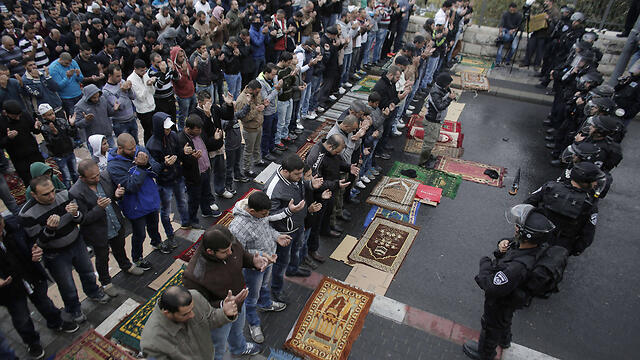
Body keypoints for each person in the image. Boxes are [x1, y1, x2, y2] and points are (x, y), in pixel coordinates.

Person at [462, 204, 556, 360]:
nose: (516, 229)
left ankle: (485, 354)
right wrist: (502, 247)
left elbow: (491, 286)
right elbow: (512, 243)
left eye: (519, 227)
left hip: (501, 300)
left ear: (528, 235)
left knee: (491, 326)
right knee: (505, 320)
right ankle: (505, 340)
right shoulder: (535, 246)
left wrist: (485, 263)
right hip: (512, 299)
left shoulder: (517, 268)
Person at [19, 176, 110, 324]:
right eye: (46, 194)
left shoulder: (65, 194)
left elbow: (80, 220)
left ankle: (93, 292)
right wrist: (49, 229)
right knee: (66, 283)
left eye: (52, 191)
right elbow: (38, 243)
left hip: (76, 242)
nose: (52, 196)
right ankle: (74, 309)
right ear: (34, 195)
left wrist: (75, 214)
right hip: (55, 253)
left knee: (87, 271)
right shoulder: (27, 214)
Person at [0, 215, 79, 360]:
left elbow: (31, 241)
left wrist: (35, 251)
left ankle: (57, 322)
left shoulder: (15, 224)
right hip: (10, 287)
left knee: (45, 303)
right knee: (21, 316)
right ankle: (32, 342)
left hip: (30, 274)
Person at [182, 225, 266, 359]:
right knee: (217, 346)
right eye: (225, 252)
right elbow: (199, 306)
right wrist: (223, 306)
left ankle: (239, 348)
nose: (230, 253)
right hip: (218, 316)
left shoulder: (229, 242)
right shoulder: (195, 275)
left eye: (230, 248)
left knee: (238, 331)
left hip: (238, 302)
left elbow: (241, 255)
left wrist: (252, 261)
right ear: (210, 251)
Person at [70, 159, 144, 297]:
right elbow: (83, 219)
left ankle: (126, 266)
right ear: (82, 178)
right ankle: (105, 282)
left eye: (98, 175)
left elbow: (112, 197)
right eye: (93, 178)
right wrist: (99, 208)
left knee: (120, 247)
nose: (97, 178)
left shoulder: (104, 176)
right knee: (102, 257)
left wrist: (117, 195)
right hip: (98, 232)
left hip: (115, 222)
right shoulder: (76, 192)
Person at [228, 191, 289, 343]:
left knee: (265, 285)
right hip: (253, 268)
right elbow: (239, 253)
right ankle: (254, 323)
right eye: (264, 214)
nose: (266, 216)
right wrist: (262, 255)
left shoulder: (260, 214)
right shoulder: (237, 227)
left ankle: (266, 303)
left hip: (268, 261)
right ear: (252, 211)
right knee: (251, 296)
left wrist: (277, 237)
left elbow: (267, 230)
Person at [264, 155, 323, 302]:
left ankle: (293, 270)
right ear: (285, 171)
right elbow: (268, 216)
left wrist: (310, 185)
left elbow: (301, 184)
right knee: (281, 261)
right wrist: (289, 212)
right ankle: (276, 289)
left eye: (301, 173)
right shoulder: (273, 188)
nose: (300, 177)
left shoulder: (295, 177)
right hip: (284, 231)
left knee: (297, 249)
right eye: (297, 174)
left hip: (298, 223)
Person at [107, 133, 168, 270]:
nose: (134, 151)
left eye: (135, 146)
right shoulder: (113, 166)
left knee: (154, 225)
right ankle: (137, 258)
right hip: (134, 206)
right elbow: (130, 186)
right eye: (130, 149)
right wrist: (140, 168)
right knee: (139, 234)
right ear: (120, 148)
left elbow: (156, 169)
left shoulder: (140, 149)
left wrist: (147, 165)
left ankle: (157, 242)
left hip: (150, 199)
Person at [140, 285, 239, 360]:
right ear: (167, 313)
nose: (192, 315)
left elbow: (210, 318)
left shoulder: (194, 297)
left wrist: (224, 313)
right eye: (185, 314)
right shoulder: (152, 342)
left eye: (192, 309)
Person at [525, 162, 602, 256]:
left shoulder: (550, 187)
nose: (596, 183)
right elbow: (587, 235)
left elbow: (527, 204)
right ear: (586, 181)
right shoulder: (590, 204)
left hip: (536, 237)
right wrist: (574, 250)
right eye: (594, 180)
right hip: (561, 247)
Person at [145, 112, 190, 242]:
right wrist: (164, 164)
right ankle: (170, 235)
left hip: (177, 177)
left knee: (182, 202)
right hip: (164, 183)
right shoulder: (152, 145)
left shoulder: (173, 136)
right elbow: (154, 169)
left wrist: (183, 152)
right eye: (166, 128)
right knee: (165, 210)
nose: (169, 130)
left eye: (169, 127)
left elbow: (178, 152)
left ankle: (186, 223)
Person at [178, 115, 222, 229]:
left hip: (205, 170)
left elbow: (208, 144)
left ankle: (206, 211)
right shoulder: (181, 140)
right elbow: (180, 161)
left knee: (206, 193)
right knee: (194, 199)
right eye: (197, 129)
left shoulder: (199, 134)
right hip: (193, 176)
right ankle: (191, 221)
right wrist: (192, 158)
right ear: (188, 129)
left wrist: (215, 139)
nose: (200, 131)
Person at [0, 99, 44, 185]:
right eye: (15, 116)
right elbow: (1, 144)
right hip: (19, 159)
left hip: (34, 153)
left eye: (19, 115)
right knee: (30, 182)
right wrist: (8, 138)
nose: (18, 118)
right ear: (6, 113)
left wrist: (37, 127)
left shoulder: (24, 115)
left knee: (43, 175)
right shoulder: (2, 123)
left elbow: (34, 130)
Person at [419, 72, 457, 167]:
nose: (449, 85)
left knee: (433, 139)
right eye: (448, 83)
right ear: (443, 83)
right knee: (429, 143)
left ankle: (427, 156)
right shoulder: (435, 92)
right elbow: (439, 107)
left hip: (436, 121)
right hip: (432, 122)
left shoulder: (442, 88)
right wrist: (449, 99)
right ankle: (423, 162)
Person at [37, 104, 78, 188]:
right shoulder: (45, 128)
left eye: (53, 113)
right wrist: (55, 134)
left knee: (75, 173)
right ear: (43, 116)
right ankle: (68, 195)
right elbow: (51, 143)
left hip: (69, 151)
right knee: (67, 177)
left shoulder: (61, 121)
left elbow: (71, 134)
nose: (52, 116)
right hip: (59, 155)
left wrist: (72, 125)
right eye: (49, 115)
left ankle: (78, 190)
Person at [74, 84, 116, 153]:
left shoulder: (102, 99)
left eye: (97, 97)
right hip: (95, 142)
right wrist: (86, 120)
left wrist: (114, 109)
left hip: (108, 136)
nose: (96, 99)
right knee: (98, 161)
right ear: (88, 97)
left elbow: (109, 113)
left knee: (114, 156)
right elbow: (77, 124)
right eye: (94, 98)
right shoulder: (79, 107)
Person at [236, 80, 265, 178]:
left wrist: (263, 104)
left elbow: (259, 102)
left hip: (258, 126)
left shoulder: (256, 93)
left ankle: (257, 161)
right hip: (250, 129)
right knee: (248, 150)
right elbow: (244, 118)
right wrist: (256, 111)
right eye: (257, 92)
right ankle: (246, 169)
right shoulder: (241, 100)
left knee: (257, 147)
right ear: (251, 89)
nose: (258, 93)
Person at [128, 59, 156, 144]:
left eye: (145, 70)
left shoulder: (145, 75)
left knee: (154, 130)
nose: (144, 72)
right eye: (141, 71)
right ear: (135, 69)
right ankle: (148, 147)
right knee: (148, 132)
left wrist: (151, 85)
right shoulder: (131, 79)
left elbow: (152, 92)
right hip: (143, 110)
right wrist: (147, 86)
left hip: (152, 106)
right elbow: (140, 97)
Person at [48, 52, 84, 117]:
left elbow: (81, 79)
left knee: (84, 114)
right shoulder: (53, 68)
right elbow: (58, 87)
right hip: (67, 98)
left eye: (69, 64)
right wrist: (67, 77)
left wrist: (78, 75)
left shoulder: (73, 62)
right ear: (60, 59)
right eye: (66, 63)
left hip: (79, 94)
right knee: (74, 117)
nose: (68, 65)